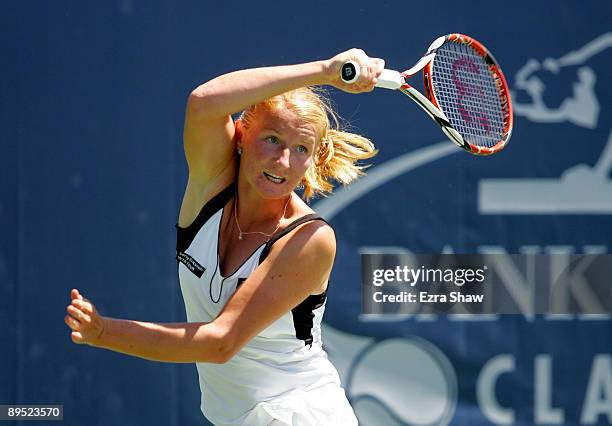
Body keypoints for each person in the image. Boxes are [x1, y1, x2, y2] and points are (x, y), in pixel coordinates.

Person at [64, 49, 384, 425]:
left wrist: (104, 332)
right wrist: (324, 72)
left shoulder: (310, 239)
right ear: (241, 135)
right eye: (271, 138)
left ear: (313, 160)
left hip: (297, 414)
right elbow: (203, 103)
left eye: (300, 149)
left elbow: (220, 342)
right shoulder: (211, 185)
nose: (282, 161)